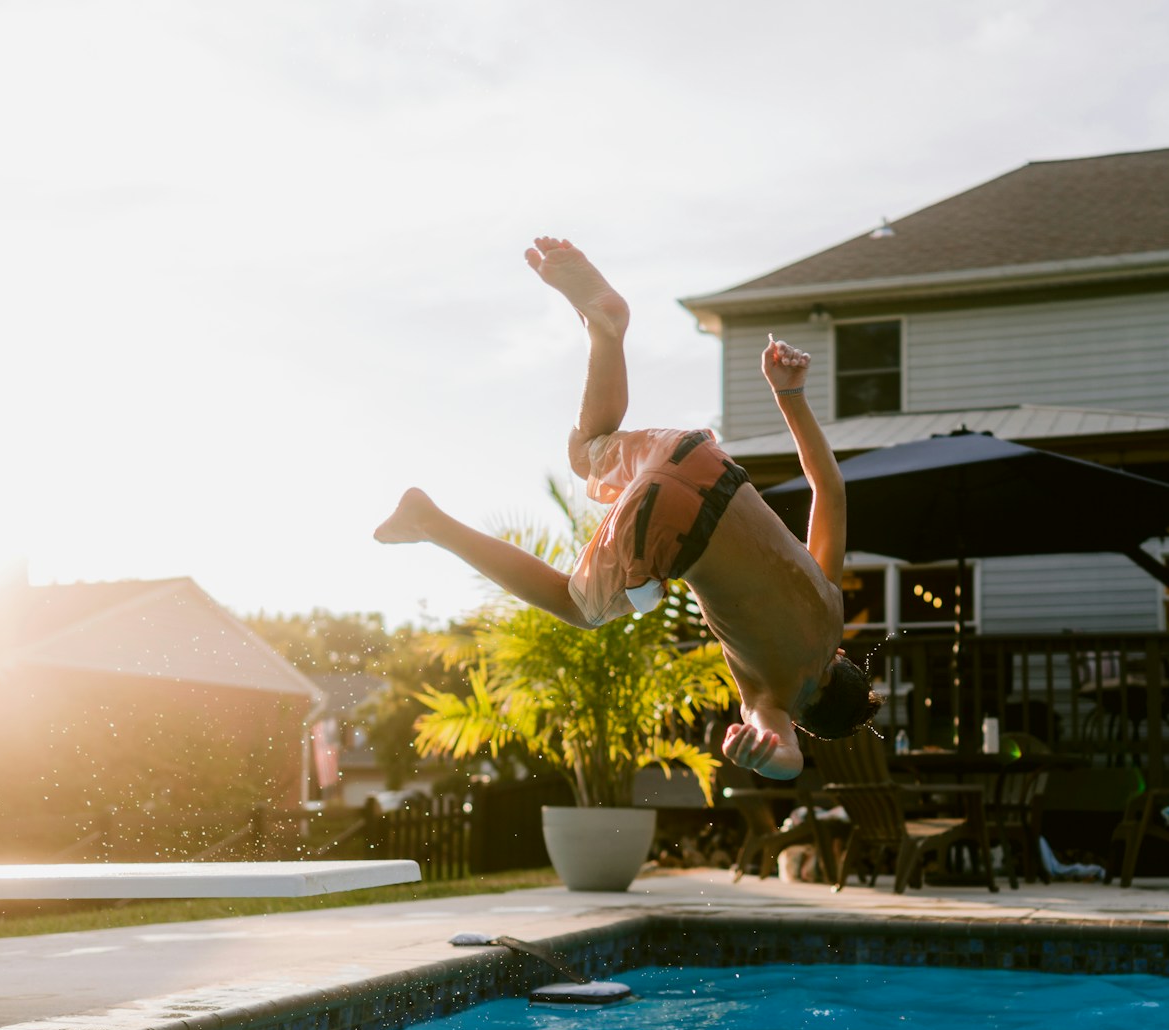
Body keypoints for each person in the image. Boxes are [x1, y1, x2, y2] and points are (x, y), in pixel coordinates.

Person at [373, 237, 878, 780]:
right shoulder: (775, 694)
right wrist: (771, 757)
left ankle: (605, 330)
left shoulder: (828, 600)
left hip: (698, 458)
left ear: (842, 660)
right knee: (575, 606)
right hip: (671, 528)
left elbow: (829, 488)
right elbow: (784, 751)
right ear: (807, 713)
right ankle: (430, 521)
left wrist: (790, 395)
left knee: (586, 453)